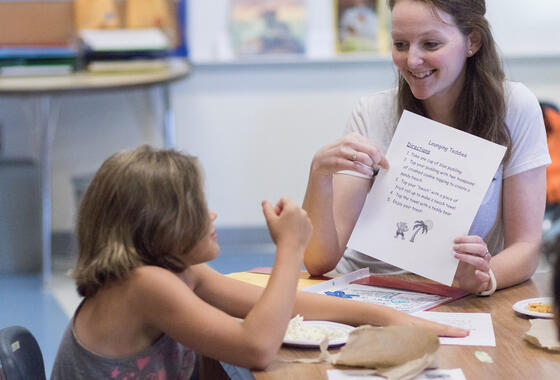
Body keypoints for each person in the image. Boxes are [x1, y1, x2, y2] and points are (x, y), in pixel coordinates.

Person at [50, 145, 465, 379]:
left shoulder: (181, 274)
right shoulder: (144, 285)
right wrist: (290, 248)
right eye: (198, 209)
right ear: (157, 226)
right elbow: (256, 348)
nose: (212, 216)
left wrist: (385, 316)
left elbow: (288, 305)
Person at [303, 0, 550, 295]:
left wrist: (484, 277)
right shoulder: (372, 112)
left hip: (460, 296)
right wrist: (319, 175)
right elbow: (319, 262)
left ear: (472, 41)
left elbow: (527, 247)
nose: (412, 60)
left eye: (431, 44)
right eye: (400, 44)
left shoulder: (514, 106)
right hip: (369, 291)